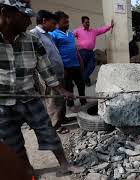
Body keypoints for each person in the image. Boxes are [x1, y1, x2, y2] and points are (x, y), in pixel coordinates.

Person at [0, 0, 82, 177]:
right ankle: (28, 170)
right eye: (25, 17)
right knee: (13, 141)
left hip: (30, 97)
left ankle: (64, 164)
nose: (29, 22)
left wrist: (61, 90)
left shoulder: (32, 40)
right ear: (7, 15)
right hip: (3, 104)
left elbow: (45, 69)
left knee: (48, 131)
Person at [30, 10, 69, 134]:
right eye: (53, 23)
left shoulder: (49, 35)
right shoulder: (34, 34)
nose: (55, 26)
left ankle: (61, 118)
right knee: (53, 100)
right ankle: (55, 125)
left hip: (58, 72)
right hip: (48, 75)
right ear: (44, 21)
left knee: (60, 99)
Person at [50, 11, 87, 111]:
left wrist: (81, 61)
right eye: (65, 22)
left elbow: (74, 49)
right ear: (57, 23)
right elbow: (54, 51)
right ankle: (70, 105)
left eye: (68, 22)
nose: (67, 23)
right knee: (68, 86)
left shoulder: (70, 34)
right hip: (65, 67)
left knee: (81, 84)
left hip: (76, 65)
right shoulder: (54, 34)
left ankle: (83, 102)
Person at [74, 16, 114, 86]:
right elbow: (70, 36)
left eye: (88, 22)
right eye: (86, 22)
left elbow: (102, 30)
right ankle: (86, 81)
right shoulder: (78, 30)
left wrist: (110, 26)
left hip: (90, 52)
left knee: (92, 65)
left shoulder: (93, 31)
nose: (88, 24)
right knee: (83, 67)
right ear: (82, 23)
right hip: (81, 52)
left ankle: (81, 79)